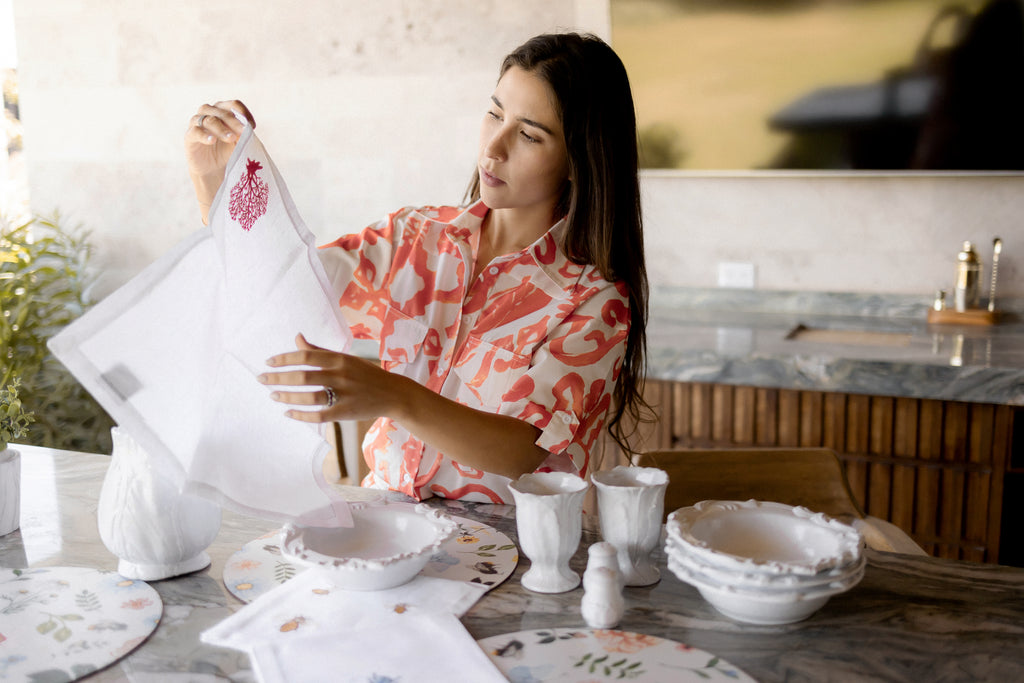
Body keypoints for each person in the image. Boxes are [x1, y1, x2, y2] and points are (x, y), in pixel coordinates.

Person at [184, 32, 648, 504]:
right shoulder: (414, 236)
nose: (494, 148)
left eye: (529, 134)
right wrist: (212, 184)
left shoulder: (594, 300)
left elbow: (525, 450)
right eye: (494, 114)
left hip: (507, 549)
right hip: (385, 523)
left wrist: (395, 395)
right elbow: (280, 287)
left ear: (580, 159)